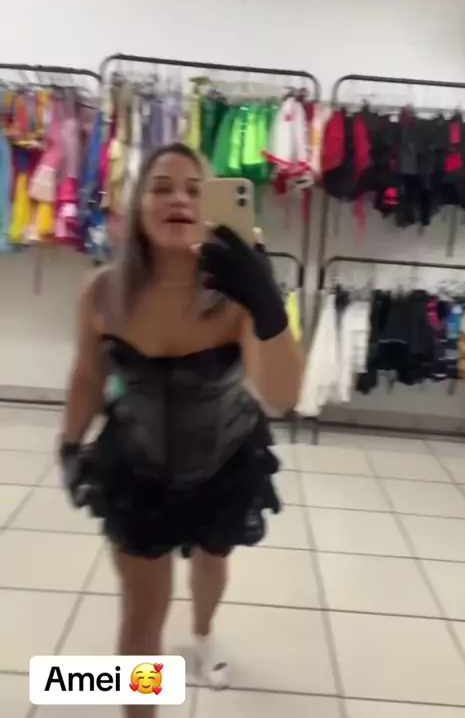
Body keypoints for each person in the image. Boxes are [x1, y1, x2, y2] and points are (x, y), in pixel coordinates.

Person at [58, 142, 303, 717]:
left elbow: (284, 396)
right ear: (138, 204)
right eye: (162, 186)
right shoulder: (102, 293)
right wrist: (69, 441)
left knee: (211, 563)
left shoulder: (235, 298)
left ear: (212, 205)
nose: (179, 199)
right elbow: (87, 377)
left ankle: (203, 633)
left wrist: (267, 303)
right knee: (141, 613)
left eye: (195, 189)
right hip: (137, 469)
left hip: (223, 462)